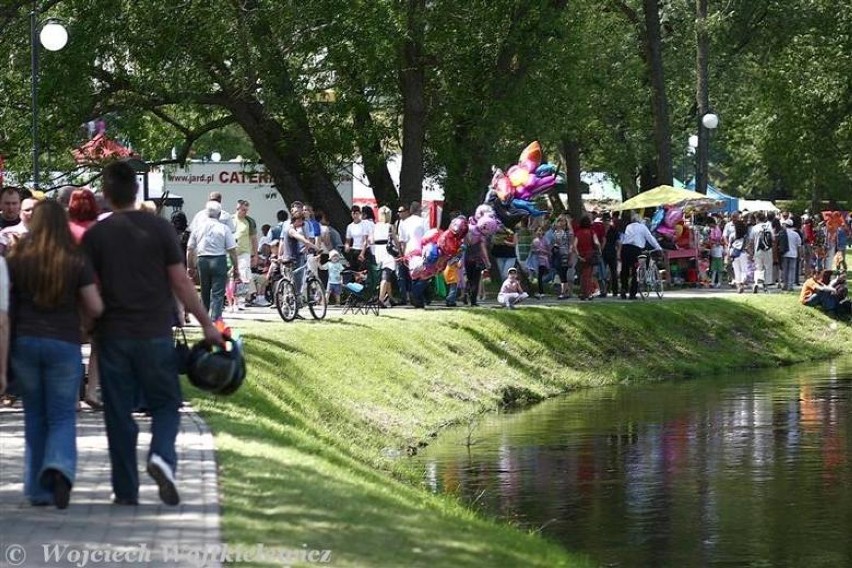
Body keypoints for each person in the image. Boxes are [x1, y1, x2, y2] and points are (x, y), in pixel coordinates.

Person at [82, 161, 224, 507]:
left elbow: (85, 291)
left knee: (117, 412)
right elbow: (181, 282)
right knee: (165, 404)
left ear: (106, 193)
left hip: (113, 336)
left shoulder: (95, 236)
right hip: (156, 333)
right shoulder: (160, 229)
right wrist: (207, 324)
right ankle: (161, 455)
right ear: (136, 191)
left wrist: (88, 327)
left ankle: (126, 490)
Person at [7, 200, 104, 508]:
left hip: (24, 342)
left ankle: (37, 490)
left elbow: (5, 308)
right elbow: (95, 306)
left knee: (34, 415)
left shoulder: (17, 256)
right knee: (62, 414)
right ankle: (60, 466)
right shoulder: (75, 258)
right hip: (64, 342)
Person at [186, 201, 239, 321]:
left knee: (204, 290)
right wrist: (236, 267)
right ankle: (216, 318)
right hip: (219, 259)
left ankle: (204, 317)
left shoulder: (198, 228)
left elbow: (190, 249)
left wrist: (190, 266)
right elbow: (232, 250)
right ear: (219, 214)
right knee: (218, 292)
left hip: (202, 259)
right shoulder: (224, 228)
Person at [619, 214, 663, 300]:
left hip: (625, 248)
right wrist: (658, 248)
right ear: (640, 220)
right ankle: (632, 293)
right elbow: (650, 238)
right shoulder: (642, 227)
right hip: (636, 249)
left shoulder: (628, 226)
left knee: (625, 270)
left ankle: (623, 290)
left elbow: (624, 238)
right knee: (636, 271)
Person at [233, 200, 260, 307]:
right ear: (237, 208)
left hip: (244, 252)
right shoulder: (230, 220)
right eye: (243, 210)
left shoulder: (249, 221)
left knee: (243, 274)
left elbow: (254, 239)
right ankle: (232, 300)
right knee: (231, 276)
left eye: (246, 210)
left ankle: (241, 300)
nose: (245, 212)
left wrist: (255, 255)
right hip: (231, 252)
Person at [371, 206, 400, 307]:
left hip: (378, 251)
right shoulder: (390, 226)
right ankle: (381, 299)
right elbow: (396, 241)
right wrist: (400, 252)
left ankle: (390, 297)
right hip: (388, 251)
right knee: (386, 275)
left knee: (386, 276)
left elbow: (371, 240)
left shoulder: (375, 226)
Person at [574, 215, 601, 301]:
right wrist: (599, 250)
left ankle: (582, 292)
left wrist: (578, 255)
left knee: (582, 275)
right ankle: (588, 293)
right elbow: (596, 243)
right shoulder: (591, 232)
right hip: (590, 255)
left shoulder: (578, 233)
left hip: (581, 255)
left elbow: (574, 245)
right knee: (589, 275)